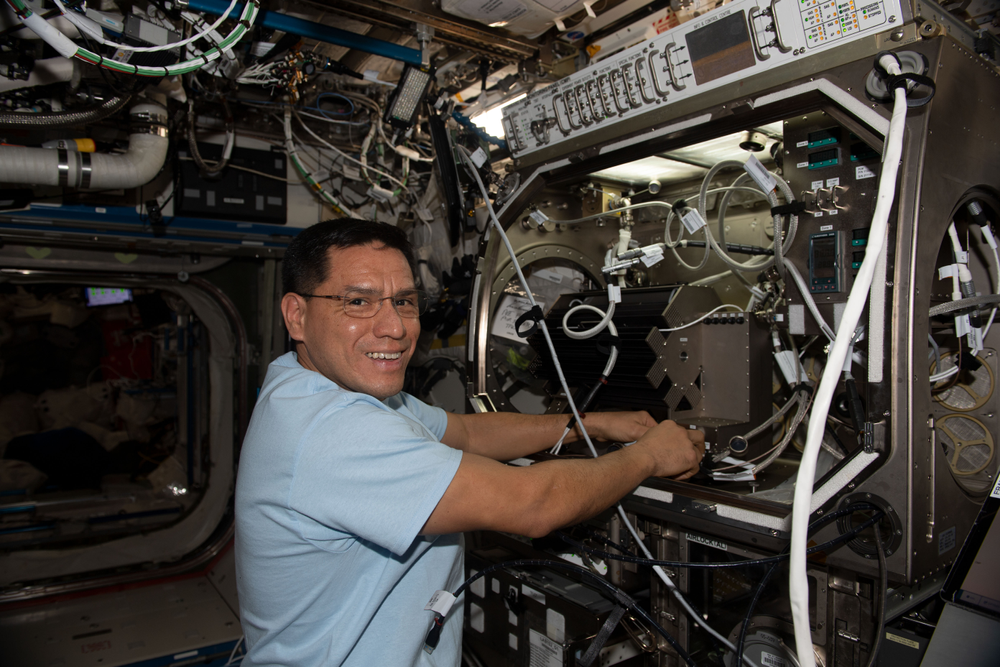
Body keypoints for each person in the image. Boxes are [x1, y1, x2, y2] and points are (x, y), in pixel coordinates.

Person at [235, 219, 704, 666]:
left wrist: (591, 424)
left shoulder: (311, 387)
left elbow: (466, 431)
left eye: (404, 301)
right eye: (359, 302)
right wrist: (648, 456)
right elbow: (532, 504)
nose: (395, 328)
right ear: (297, 315)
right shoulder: (333, 429)